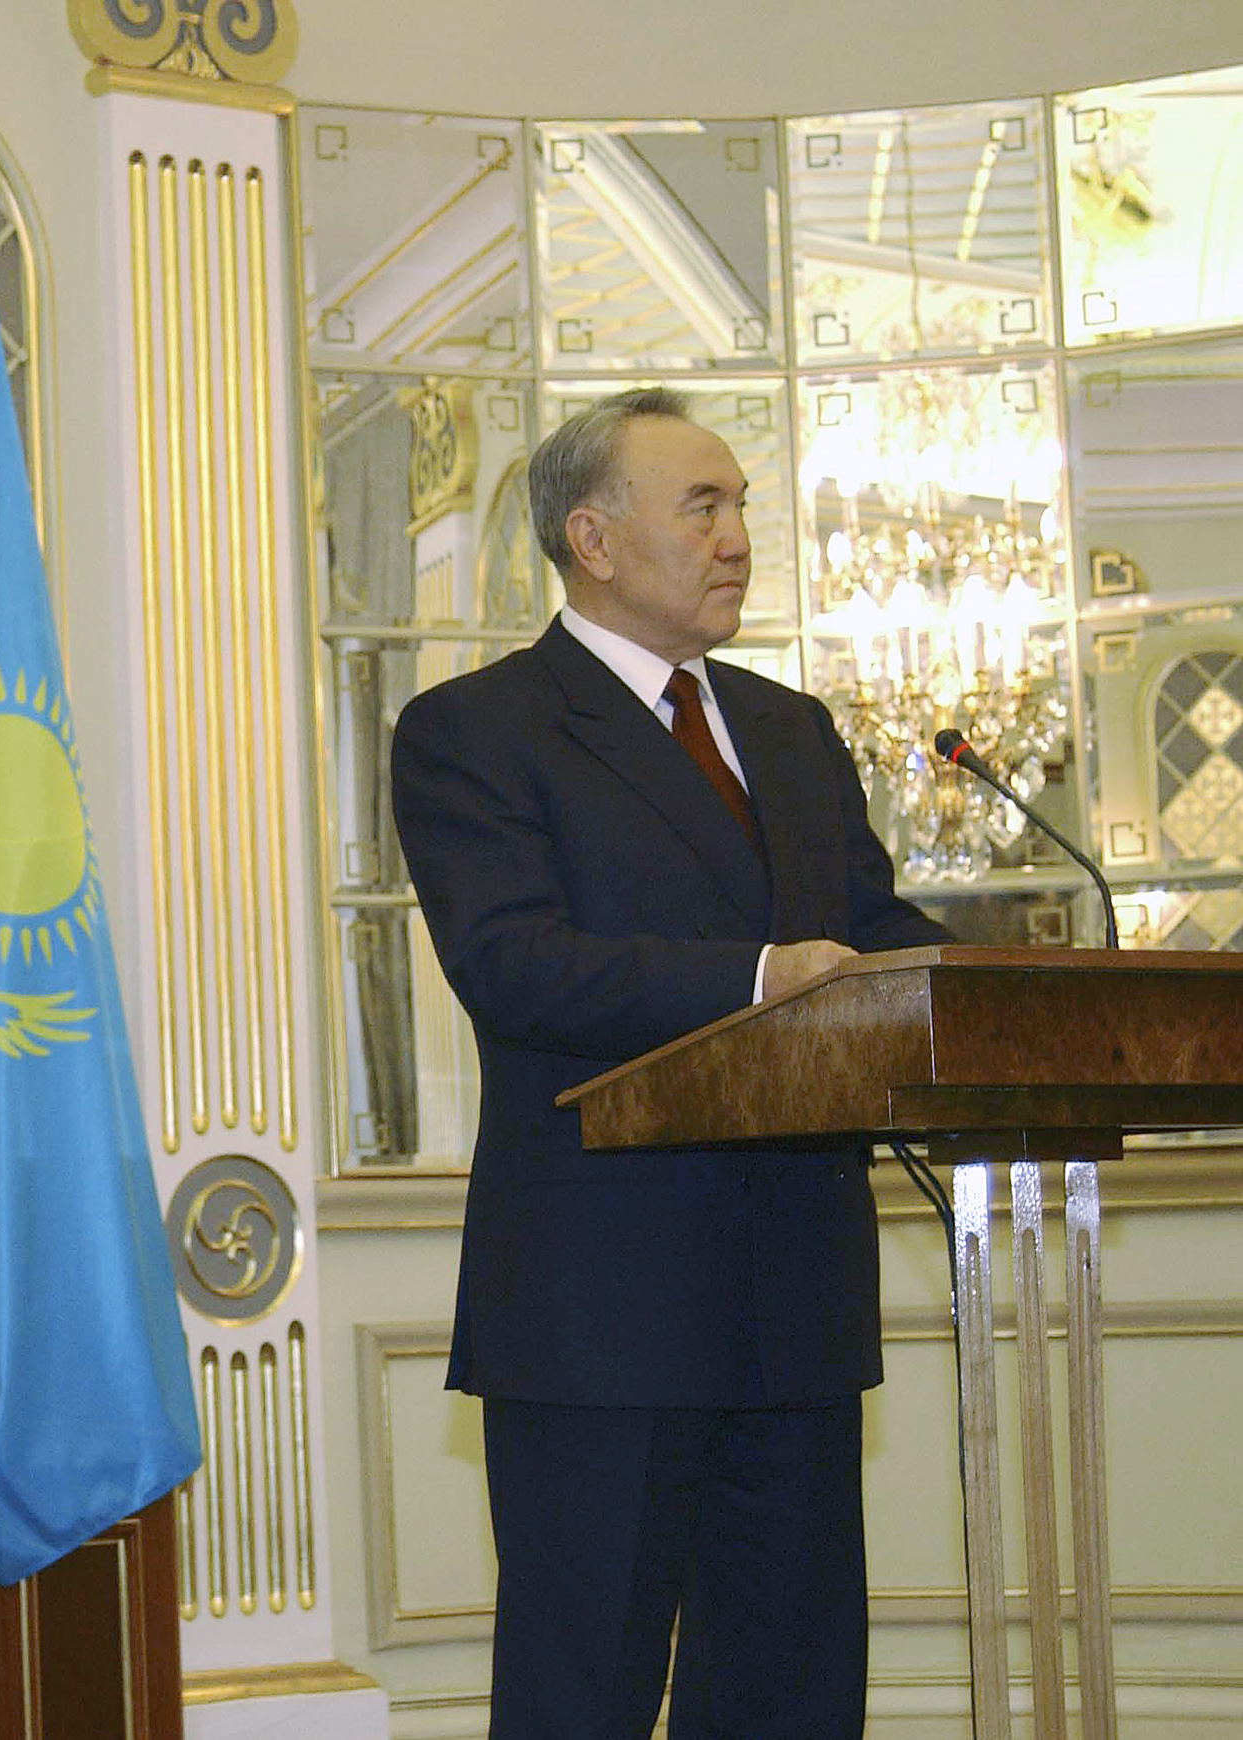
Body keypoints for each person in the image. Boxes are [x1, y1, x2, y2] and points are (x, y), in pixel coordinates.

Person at [389, 387, 952, 1739]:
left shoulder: (791, 729)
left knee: (790, 1697)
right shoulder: (478, 729)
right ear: (590, 538)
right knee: (582, 1697)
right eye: (702, 506)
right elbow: (513, 963)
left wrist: (1003, 988)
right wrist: (759, 979)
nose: (736, 536)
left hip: (795, 1300)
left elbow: (870, 932)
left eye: (739, 505)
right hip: (600, 1311)